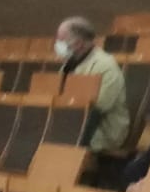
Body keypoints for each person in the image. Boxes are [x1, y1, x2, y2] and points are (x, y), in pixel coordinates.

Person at [54, 17, 129, 153]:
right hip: (71, 122)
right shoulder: (69, 64)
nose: (57, 44)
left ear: (78, 43)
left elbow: (99, 107)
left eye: (61, 40)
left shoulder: (106, 65)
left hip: (101, 130)